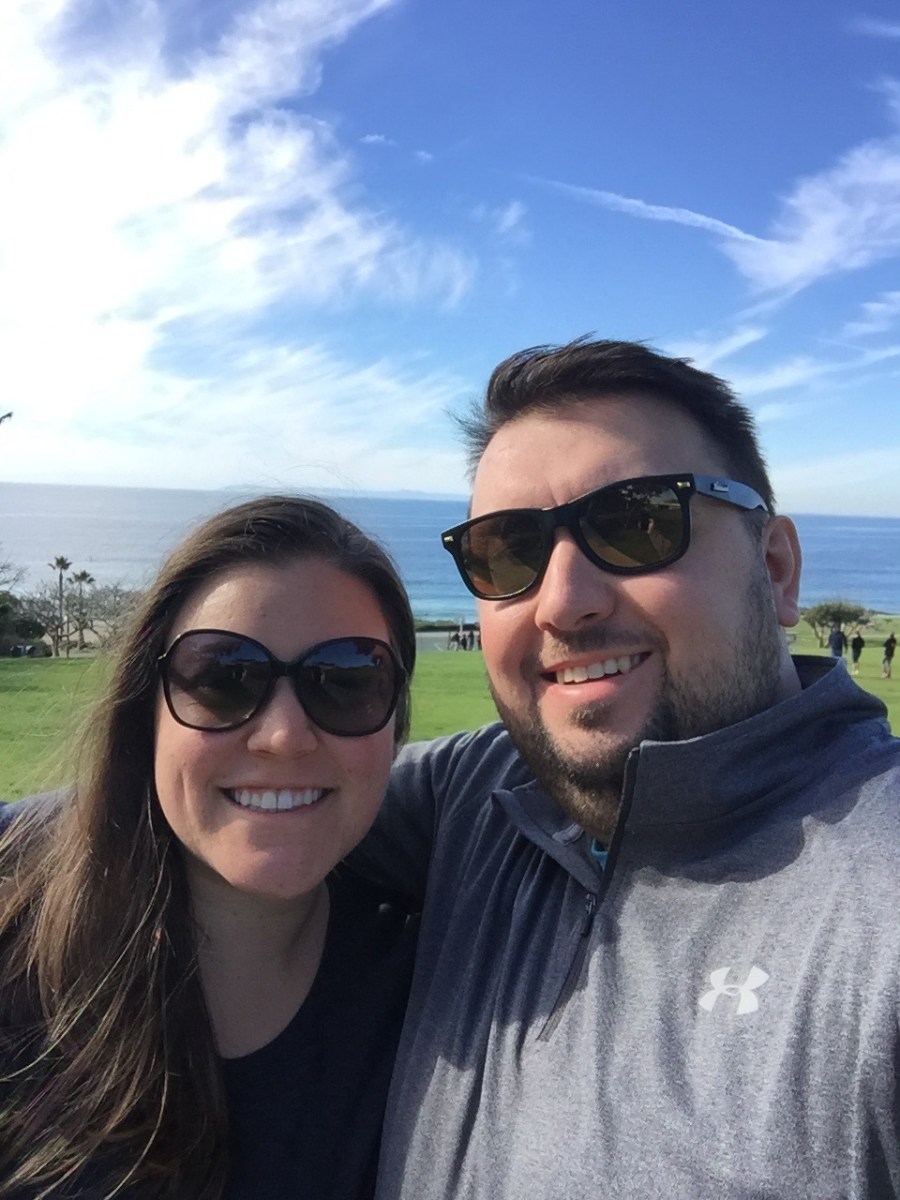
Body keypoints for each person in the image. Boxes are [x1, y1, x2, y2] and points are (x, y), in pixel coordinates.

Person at [352, 339, 900, 1199]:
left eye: (638, 523)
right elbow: (239, 807)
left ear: (776, 570)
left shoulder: (878, 895)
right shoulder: (482, 792)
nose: (563, 602)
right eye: (507, 551)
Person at [0, 496, 418, 1200]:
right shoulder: (19, 959)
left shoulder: (439, 988)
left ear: (394, 726)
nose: (284, 736)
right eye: (224, 677)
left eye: (348, 681)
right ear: (145, 716)